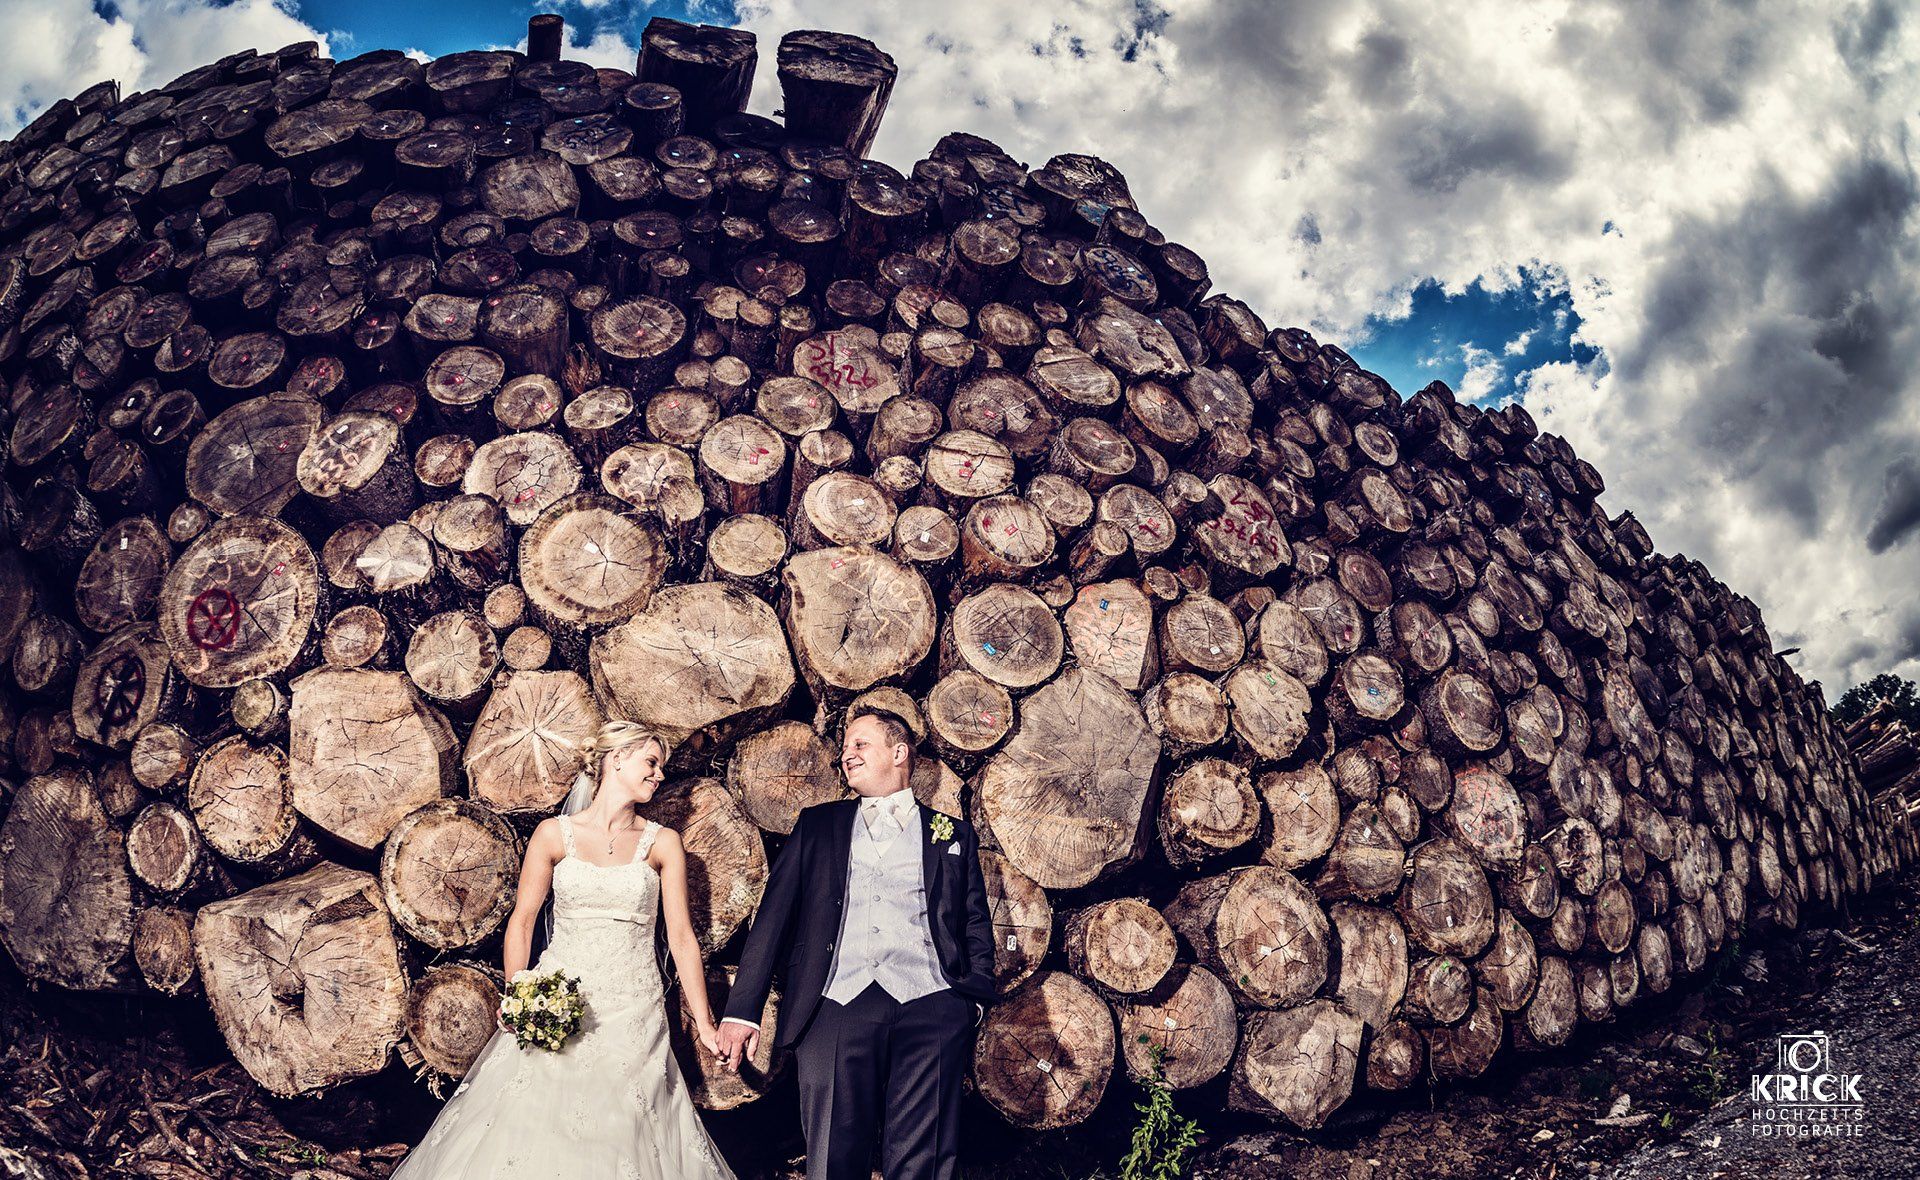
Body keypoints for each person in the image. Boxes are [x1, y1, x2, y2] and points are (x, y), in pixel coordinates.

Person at [391, 720, 736, 1180]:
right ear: (616, 758)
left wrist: (707, 1025)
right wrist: (518, 992)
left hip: (633, 1007)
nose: (659, 776)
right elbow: (523, 920)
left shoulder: (663, 844)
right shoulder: (554, 835)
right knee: (535, 1122)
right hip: (558, 998)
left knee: (624, 1129)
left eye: (661, 768)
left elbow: (681, 938)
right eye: (651, 763)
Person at [714, 707, 996, 1180]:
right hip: (836, 1005)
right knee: (832, 1158)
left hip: (932, 1007)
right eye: (845, 748)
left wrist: (969, 1004)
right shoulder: (818, 825)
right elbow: (773, 920)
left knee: (924, 1159)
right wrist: (743, 1010)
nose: (847, 755)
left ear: (899, 752)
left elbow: (974, 924)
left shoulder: (953, 836)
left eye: (860, 744)